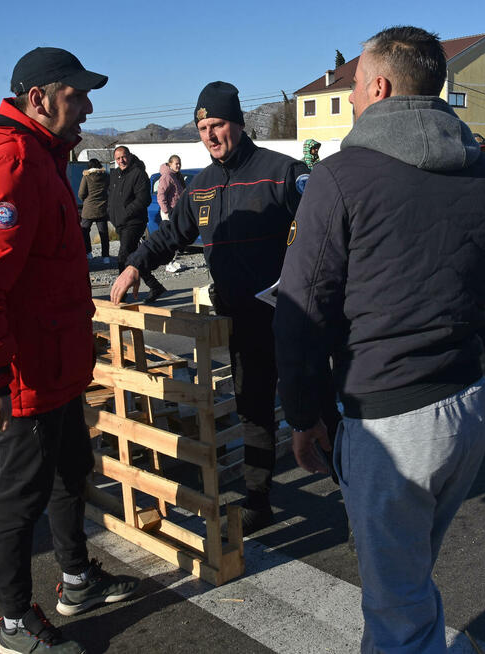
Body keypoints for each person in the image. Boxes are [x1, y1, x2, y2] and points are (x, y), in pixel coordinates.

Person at [273, 26, 485, 653]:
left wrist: (302, 417)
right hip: (464, 412)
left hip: (388, 426)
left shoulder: (342, 177)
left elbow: (299, 315)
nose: (349, 99)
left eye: (351, 86)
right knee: (407, 578)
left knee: (396, 608)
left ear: (378, 86)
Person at [0, 46, 137, 654]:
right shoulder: (13, 162)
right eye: (77, 96)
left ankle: (75, 579)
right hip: (20, 373)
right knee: (19, 498)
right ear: (40, 99)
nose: (88, 106)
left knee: (69, 472)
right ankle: (15, 625)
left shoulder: (44, 158)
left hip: (54, 367)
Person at [110, 81, 337, 535]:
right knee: (253, 408)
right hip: (242, 320)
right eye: (201, 128)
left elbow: (327, 232)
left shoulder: (281, 173)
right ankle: (259, 500)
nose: (210, 135)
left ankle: (353, 484)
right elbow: (172, 235)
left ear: (238, 123)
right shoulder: (202, 185)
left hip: (293, 317)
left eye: (216, 125)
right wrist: (135, 265)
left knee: (317, 405)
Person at [109, 145, 166, 303]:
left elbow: (144, 199)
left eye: (124, 157)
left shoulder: (139, 173)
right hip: (120, 222)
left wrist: (126, 213)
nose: (121, 160)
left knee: (123, 256)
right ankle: (155, 286)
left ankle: (122, 294)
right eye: (118, 158)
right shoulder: (115, 175)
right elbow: (111, 195)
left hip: (134, 222)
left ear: (130, 155)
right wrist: (111, 212)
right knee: (133, 258)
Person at [157, 155, 186, 273]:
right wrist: (166, 211)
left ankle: (173, 261)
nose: (178, 165)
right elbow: (161, 194)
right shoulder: (167, 176)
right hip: (169, 212)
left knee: (177, 238)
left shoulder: (176, 176)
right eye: (176, 163)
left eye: (179, 163)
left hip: (177, 211)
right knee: (171, 238)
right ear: (170, 164)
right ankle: (168, 263)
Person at [78, 157, 110, 264]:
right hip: (102, 208)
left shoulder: (86, 177)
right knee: (104, 234)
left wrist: (86, 201)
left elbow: (81, 193)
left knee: (85, 231)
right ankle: (106, 257)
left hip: (88, 210)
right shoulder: (106, 176)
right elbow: (110, 190)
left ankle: (89, 253)